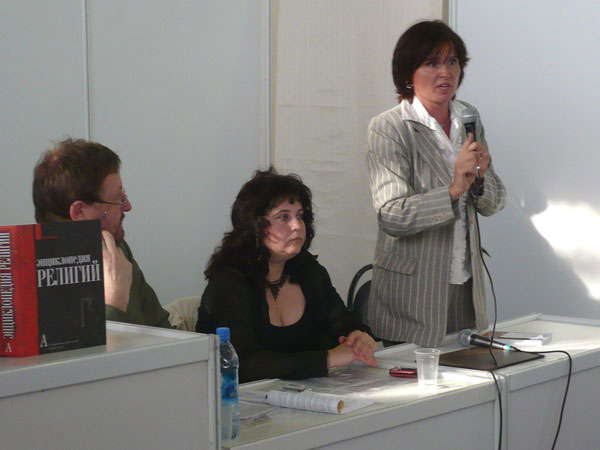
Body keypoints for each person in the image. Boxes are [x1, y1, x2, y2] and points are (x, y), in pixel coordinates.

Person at [366, 20, 506, 348]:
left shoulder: (468, 117)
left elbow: (495, 203)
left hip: (465, 287)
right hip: (411, 298)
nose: (445, 72)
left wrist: (480, 177)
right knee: (419, 380)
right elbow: (392, 215)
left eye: (452, 61)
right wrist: (454, 190)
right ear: (408, 73)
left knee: (470, 377)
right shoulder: (389, 127)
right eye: (431, 63)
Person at [196, 168, 377, 383]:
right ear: (254, 226)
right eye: (283, 217)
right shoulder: (229, 282)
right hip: (239, 398)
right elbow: (243, 364)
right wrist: (328, 358)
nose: (297, 226)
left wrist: (359, 336)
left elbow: (343, 322)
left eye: (300, 216)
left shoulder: (308, 269)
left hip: (309, 394)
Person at [32, 138, 171, 328]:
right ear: (79, 212)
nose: (128, 207)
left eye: (124, 196)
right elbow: (86, 348)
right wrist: (115, 301)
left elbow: (162, 328)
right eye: (118, 199)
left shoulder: (116, 250)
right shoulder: (28, 279)